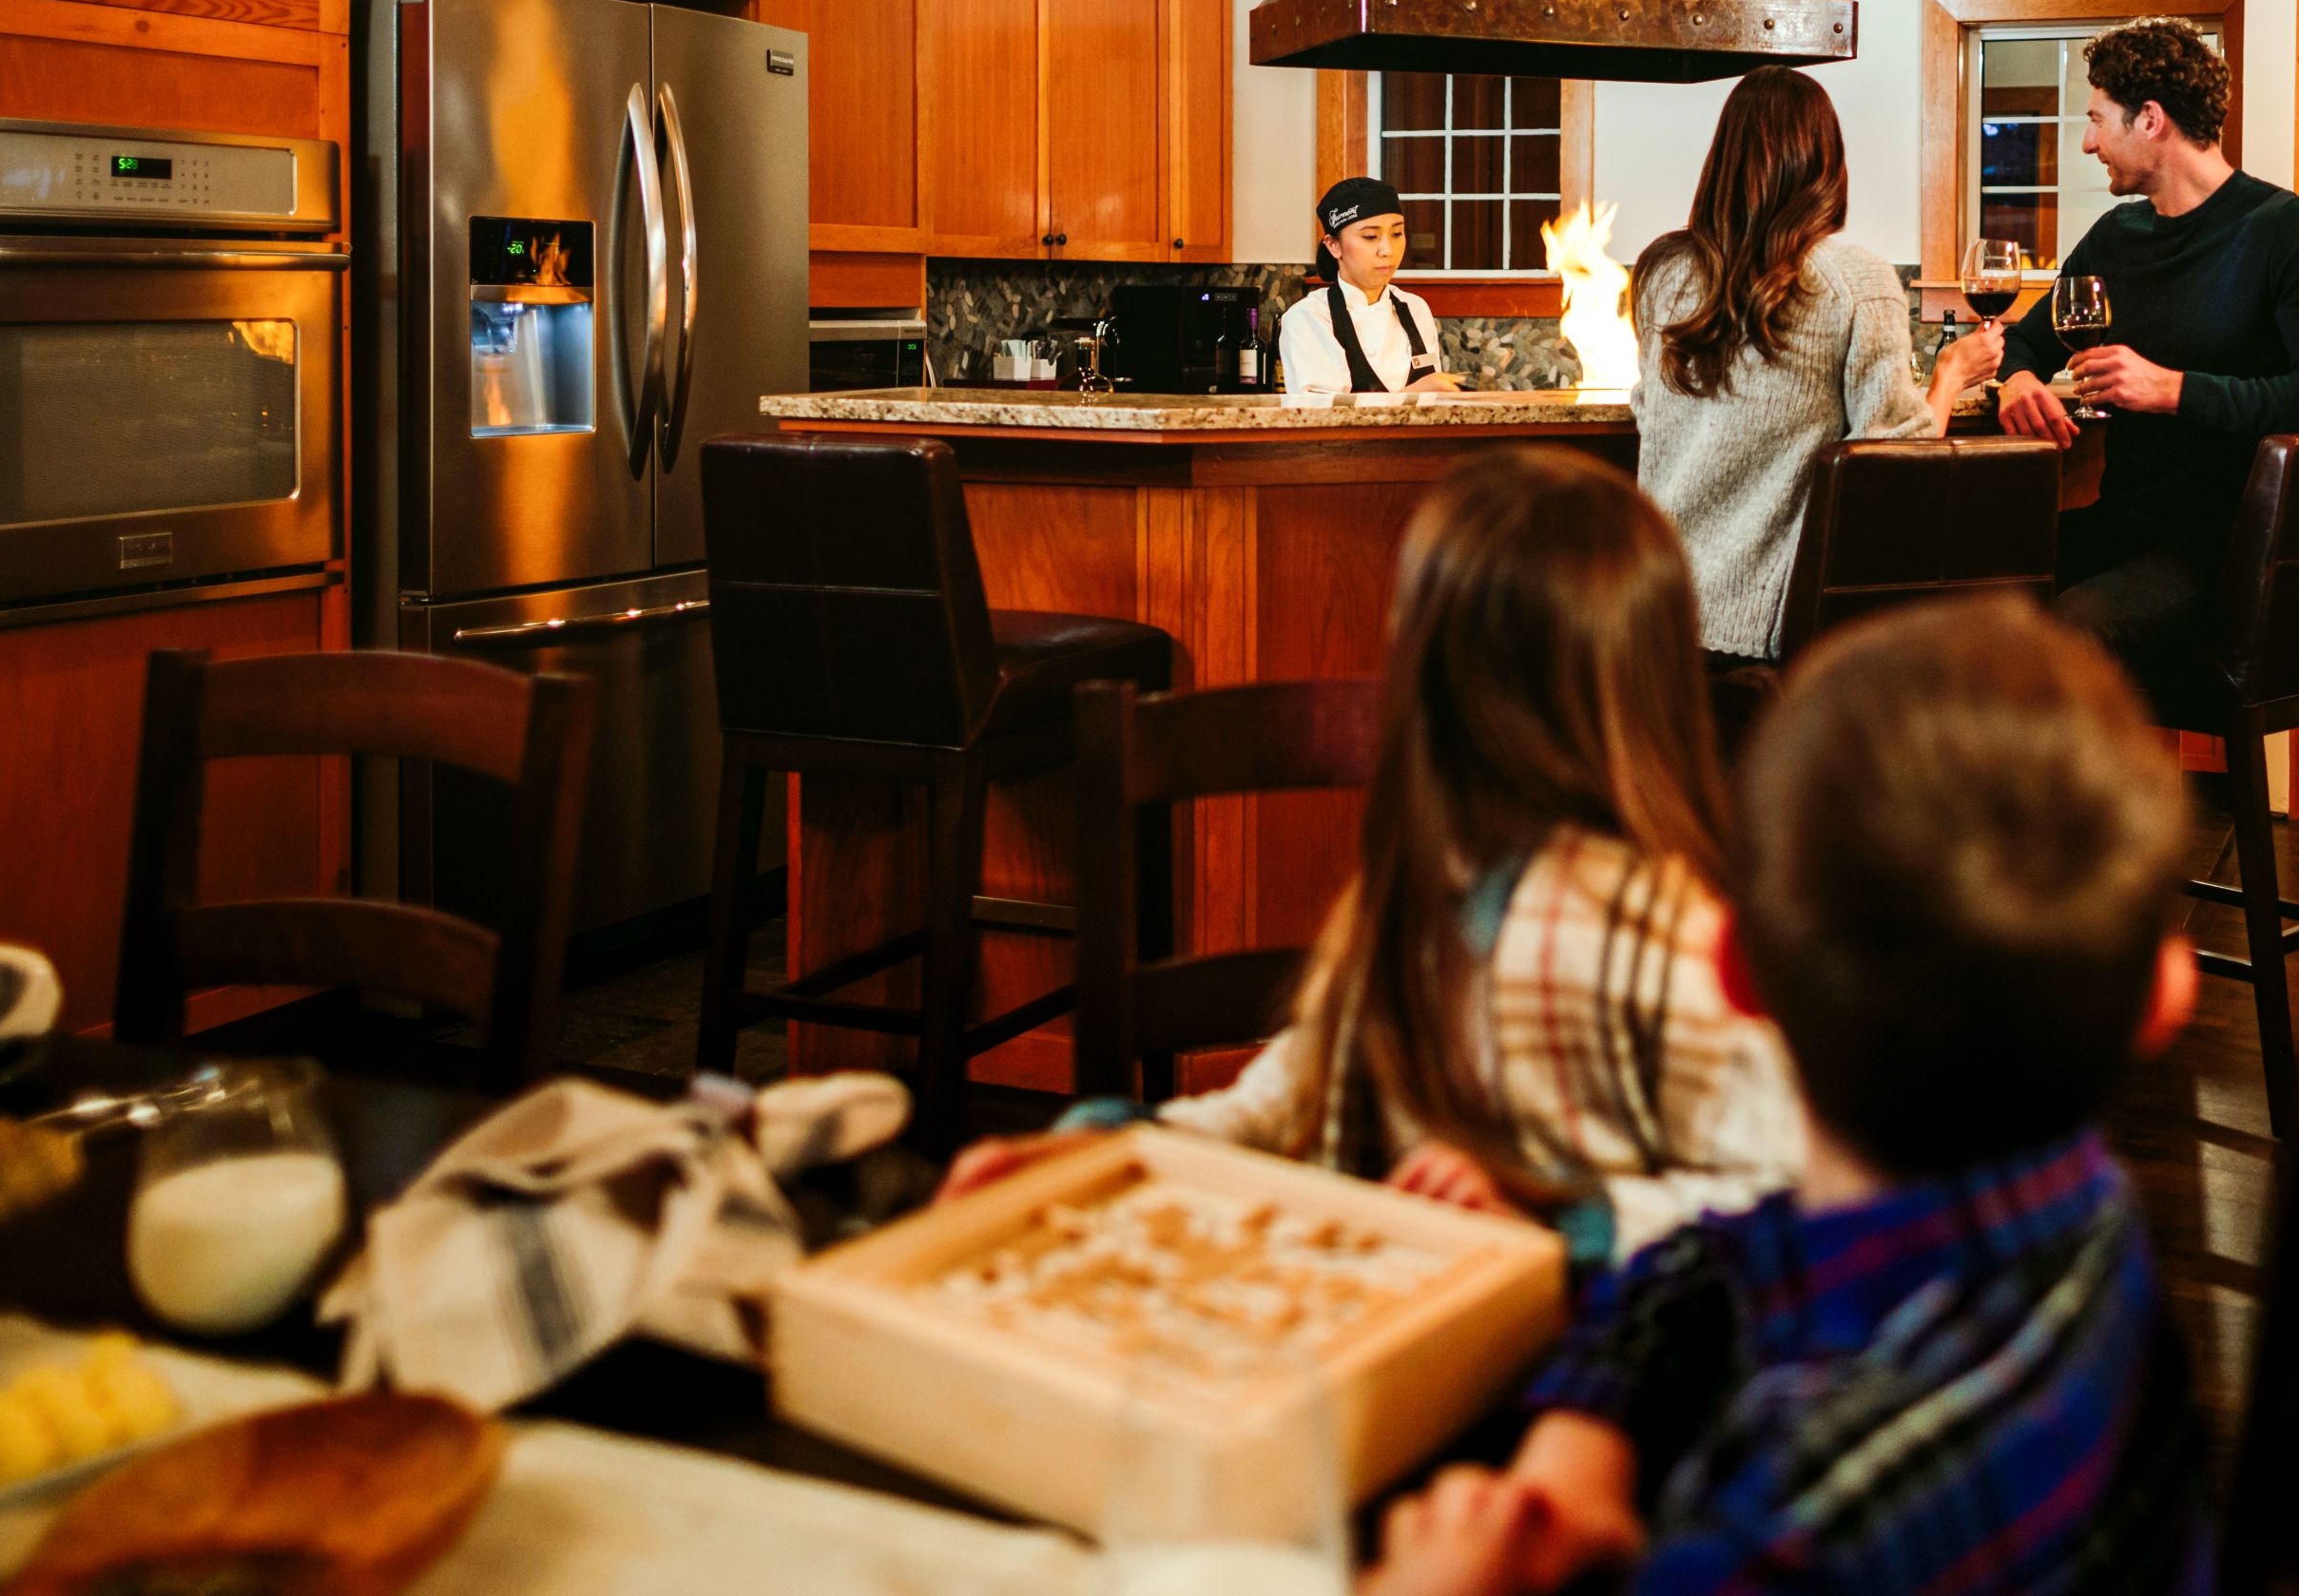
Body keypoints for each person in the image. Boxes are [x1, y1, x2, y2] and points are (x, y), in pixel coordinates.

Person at [1362, 593, 2214, 1596]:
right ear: (2167, 995)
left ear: (1736, 974)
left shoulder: (1789, 1542)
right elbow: (1715, 1258)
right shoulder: (2079, 1214)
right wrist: (1582, 1436)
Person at [941, 447, 1810, 1268]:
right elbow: (1290, 1101)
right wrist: (1113, 1148)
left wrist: (1565, 1223)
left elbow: (1790, 1192)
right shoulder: (1427, 885)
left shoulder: (1669, 939)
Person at [1997, 16, 2299, 700]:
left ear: (2149, 119)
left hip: (2226, 549)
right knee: (1956, 586)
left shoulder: (2285, 229)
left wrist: (2173, 389)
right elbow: (2026, 338)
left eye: (2095, 120)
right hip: (2122, 527)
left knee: (2072, 631)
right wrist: (2017, 380)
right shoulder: (2116, 237)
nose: (2087, 143)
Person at [1632, 67, 2003, 663]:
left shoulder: (1662, 273)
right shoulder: (1856, 280)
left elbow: (1650, 414)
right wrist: (1952, 375)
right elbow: (1896, 459)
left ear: (1723, 160)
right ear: (1826, 162)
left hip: (1653, 614)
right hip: (1764, 639)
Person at [1277, 177, 1468, 395]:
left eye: (1397, 234)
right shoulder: (1308, 318)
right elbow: (1324, 414)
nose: (1387, 250)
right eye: (1370, 236)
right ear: (1334, 245)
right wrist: (1412, 394)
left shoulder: (1416, 308)